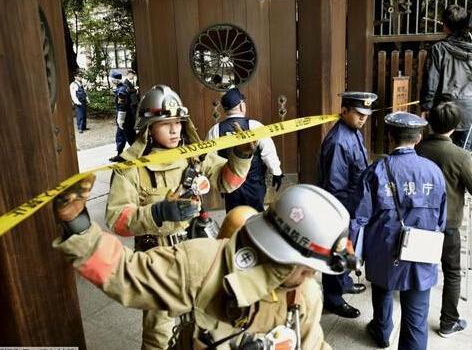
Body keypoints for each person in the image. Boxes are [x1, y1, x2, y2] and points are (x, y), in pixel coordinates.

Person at [54, 181, 360, 349]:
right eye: (306, 267)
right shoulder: (202, 264)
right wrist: (78, 225)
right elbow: (126, 274)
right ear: (281, 255)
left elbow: (311, 344)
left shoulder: (305, 294)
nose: (312, 276)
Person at [105, 84, 254, 349]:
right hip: (157, 261)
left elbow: (227, 182)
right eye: (165, 124)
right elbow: (117, 218)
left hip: (197, 254)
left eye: (178, 122)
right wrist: (158, 212)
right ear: (148, 127)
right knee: (159, 335)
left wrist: (241, 156)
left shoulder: (194, 156)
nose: (175, 130)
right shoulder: (131, 168)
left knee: (204, 325)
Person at [350, 111, 447, 349]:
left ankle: (382, 332)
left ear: (390, 137)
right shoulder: (433, 171)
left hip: (385, 248)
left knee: (382, 288)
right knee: (416, 317)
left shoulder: (376, 171)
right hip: (422, 251)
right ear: (419, 138)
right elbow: (441, 219)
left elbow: (360, 218)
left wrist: (353, 254)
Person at [317, 91, 377, 318]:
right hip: (341, 206)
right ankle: (333, 298)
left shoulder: (353, 132)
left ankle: (343, 282)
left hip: (352, 204)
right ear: (344, 111)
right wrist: (345, 214)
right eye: (359, 113)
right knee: (337, 251)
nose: (363, 118)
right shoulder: (338, 141)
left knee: (347, 249)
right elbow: (335, 186)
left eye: (366, 114)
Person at [416, 102, 472, 338]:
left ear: (429, 121)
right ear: (456, 126)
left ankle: (415, 316)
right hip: (448, 225)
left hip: (418, 222)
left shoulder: (417, 149)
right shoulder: (460, 156)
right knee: (451, 272)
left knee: (418, 268)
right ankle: (449, 321)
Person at [207, 87, 284, 212]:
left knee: (233, 216)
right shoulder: (255, 126)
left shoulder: (215, 130)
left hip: (230, 183)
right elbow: (268, 153)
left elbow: (209, 158)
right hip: (254, 183)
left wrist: (219, 182)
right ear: (242, 106)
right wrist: (277, 172)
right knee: (255, 215)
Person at [421, 4, 472, 150]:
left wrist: (426, 107)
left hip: (444, 109)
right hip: (469, 109)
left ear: (445, 26)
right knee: (464, 154)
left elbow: (431, 81)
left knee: (439, 149)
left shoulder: (438, 49)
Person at [109, 71, 137, 162]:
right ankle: (120, 154)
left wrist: (120, 119)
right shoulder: (121, 88)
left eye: (111, 78)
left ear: (114, 80)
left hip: (125, 118)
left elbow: (122, 106)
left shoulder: (121, 90)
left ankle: (138, 153)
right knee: (120, 136)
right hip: (125, 117)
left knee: (130, 137)